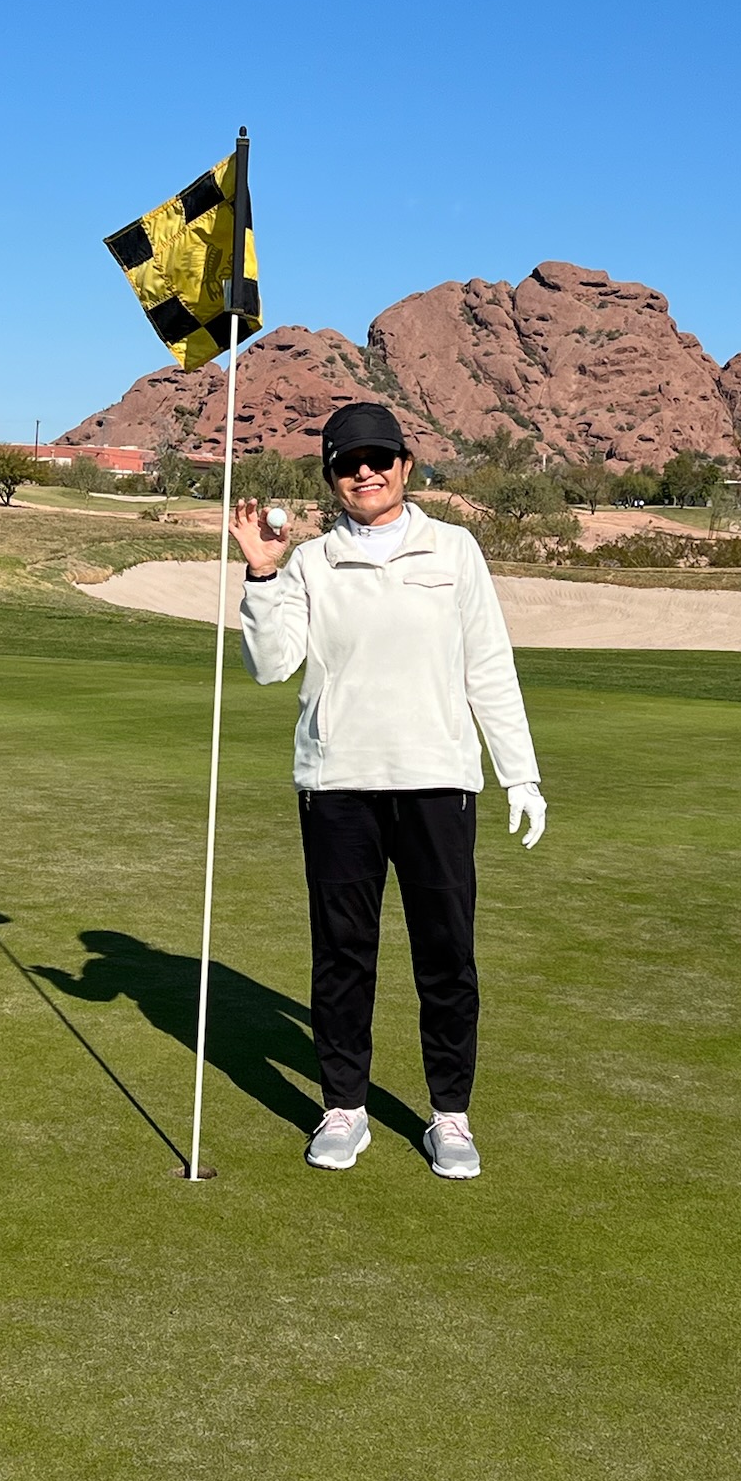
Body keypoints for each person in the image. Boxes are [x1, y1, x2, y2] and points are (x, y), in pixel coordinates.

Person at [230, 401, 547, 1180]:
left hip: (438, 781)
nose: (364, 472)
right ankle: (344, 1108)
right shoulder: (311, 562)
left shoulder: (455, 549)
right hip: (338, 784)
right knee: (343, 956)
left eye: (378, 458)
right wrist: (262, 572)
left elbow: (489, 666)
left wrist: (521, 773)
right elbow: (271, 666)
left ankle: (450, 1117)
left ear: (406, 465)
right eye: (347, 462)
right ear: (331, 476)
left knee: (447, 956)